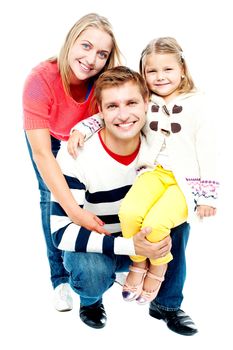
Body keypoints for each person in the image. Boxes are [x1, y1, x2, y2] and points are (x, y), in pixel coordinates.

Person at [51, 66, 198, 336]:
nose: (124, 115)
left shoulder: (160, 148)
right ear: (101, 110)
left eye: (132, 102)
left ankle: (166, 306)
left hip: (147, 242)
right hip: (103, 247)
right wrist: (128, 245)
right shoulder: (75, 154)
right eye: (112, 106)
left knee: (178, 220)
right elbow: (60, 233)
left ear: (147, 103)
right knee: (89, 270)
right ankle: (91, 301)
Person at [22, 13, 123, 311]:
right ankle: (60, 278)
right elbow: (42, 153)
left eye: (102, 54)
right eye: (86, 46)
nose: (91, 59)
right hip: (49, 137)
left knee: (87, 193)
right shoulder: (40, 80)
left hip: (85, 136)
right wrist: (73, 213)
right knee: (51, 197)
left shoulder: (105, 80)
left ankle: (90, 266)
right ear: (70, 42)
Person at [118, 36, 219, 305]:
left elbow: (208, 149)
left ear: (182, 69)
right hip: (152, 173)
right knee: (129, 212)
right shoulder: (143, 99)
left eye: (168, 69)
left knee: (156, 223)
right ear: (143, 73)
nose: (160, 76)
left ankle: (159, 268)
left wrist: (208, 197)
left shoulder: (198, 103)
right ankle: (138, 262)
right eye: (152, 71)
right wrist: (84, 129)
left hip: (183, 182)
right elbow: (114, 112)